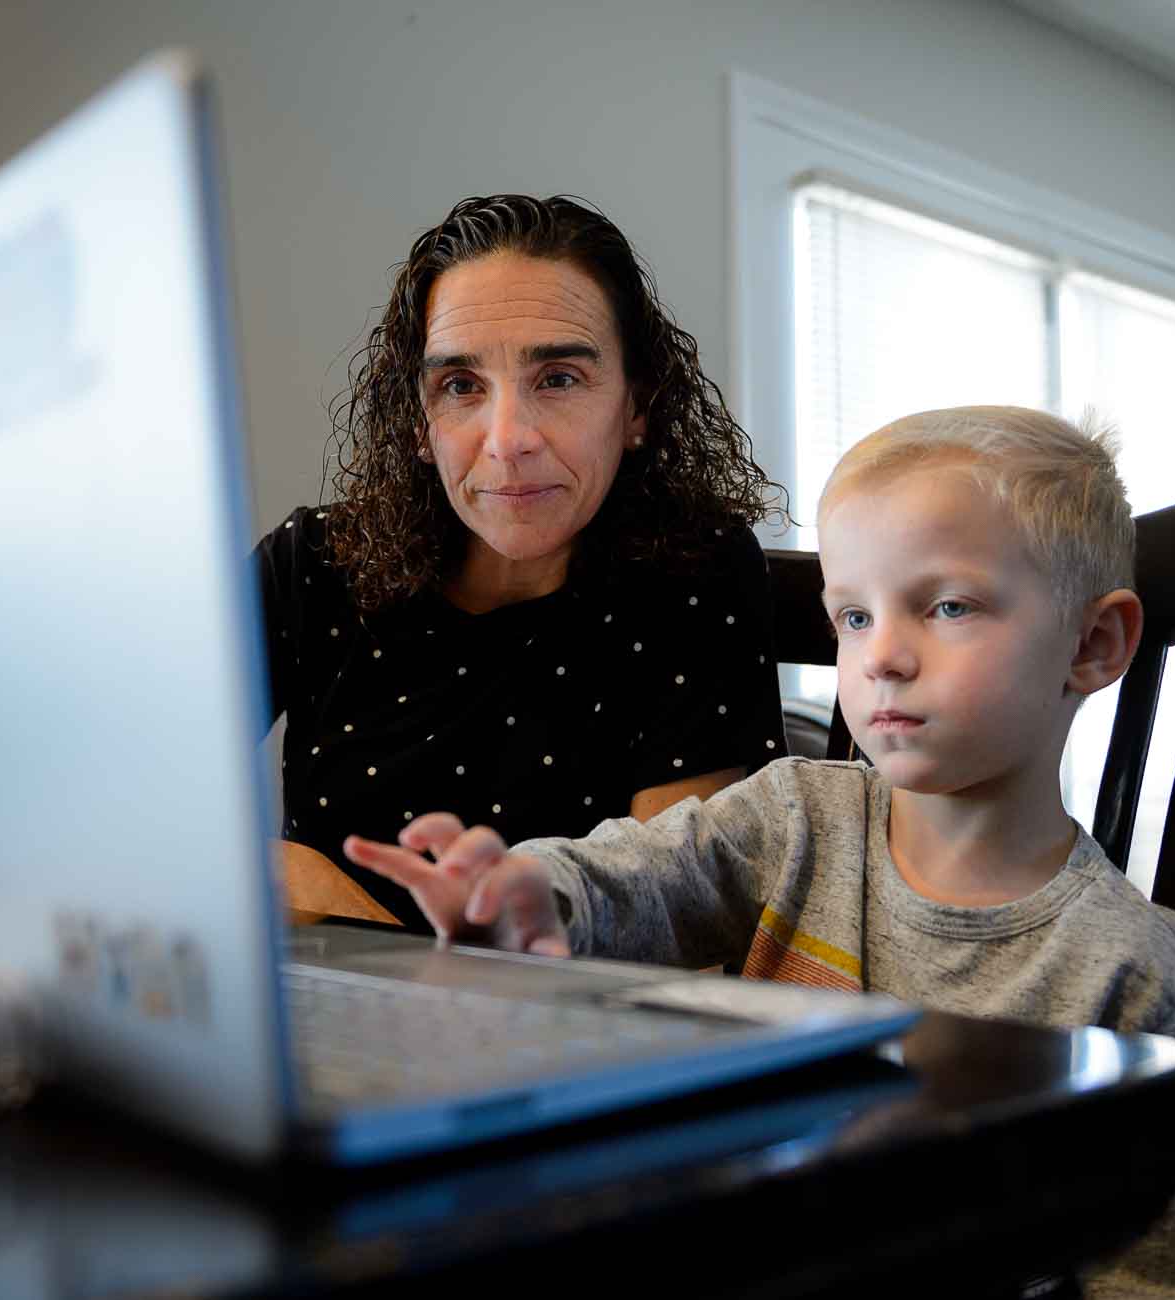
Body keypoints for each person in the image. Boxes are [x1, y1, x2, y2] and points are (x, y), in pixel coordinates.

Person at [341, 406, 1175, 1297]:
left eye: (946, 606)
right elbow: (639, 875)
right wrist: (531, 893)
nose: (880, 657)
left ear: (1092, 642)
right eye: (854, 616)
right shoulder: (793, 817)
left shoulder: (1141, 969)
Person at [259, 194, 788, 932]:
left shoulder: (696, 573)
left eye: (559, 379)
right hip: (323, 1014)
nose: (507, 439)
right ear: (418, 423)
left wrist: (390, 953)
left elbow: (683, 916)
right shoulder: (311, 562)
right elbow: (128, 792)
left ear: (637, 404)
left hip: (570, 1021)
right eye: (460, 386)